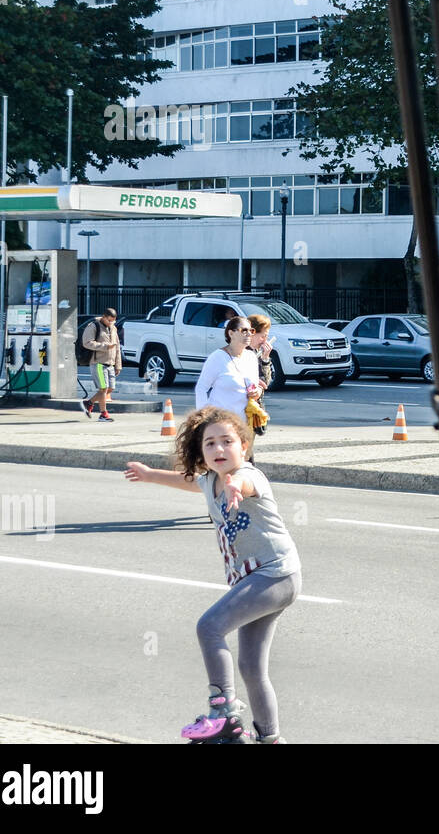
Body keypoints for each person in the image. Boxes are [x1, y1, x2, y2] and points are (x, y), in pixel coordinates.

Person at [125, 406, 301, 743]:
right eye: (210, 444)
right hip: (260, 580)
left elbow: (246, 483)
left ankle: (222, 711)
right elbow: (185, 480)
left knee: (209, 626)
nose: (219, 449)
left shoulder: (250, 476)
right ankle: (270, 739)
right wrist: (149, 474)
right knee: (251, 668)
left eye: (227, 441)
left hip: (275, 574)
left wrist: (236, 486)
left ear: (244, 447)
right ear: (200, 451)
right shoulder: (209, 481)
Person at [196, 315, 264, 417]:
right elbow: (201, 388)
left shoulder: (251, 357)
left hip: (245, 425)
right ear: (231, 333)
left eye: (251, 331)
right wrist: (202, 418)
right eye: (244, 330)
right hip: (220, 422)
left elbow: (255, 385)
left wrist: (258, 391)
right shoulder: (217, 357)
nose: (249, 334)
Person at [81, 309, 121, 422]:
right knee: (103, 388)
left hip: (110, 363)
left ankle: (89, 403)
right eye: (109, 320)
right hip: (98, 362)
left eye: (113, 321)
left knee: (110, 388)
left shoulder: (113, 328)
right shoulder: (93, 326)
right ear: (104, 316)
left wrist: (118, 365)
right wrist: (105, 346)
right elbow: (87, 342)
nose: (111, 323)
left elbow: (117, 347)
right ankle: (103, 414)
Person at [247, 313, 275, 436]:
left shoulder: (258, 351)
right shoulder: (241, 352)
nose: (265, 340)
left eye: (266, 336)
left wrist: (265, 359)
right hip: (241, 408)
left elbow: (267, 382)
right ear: (252, 333)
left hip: (254, 407)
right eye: (263, 336)